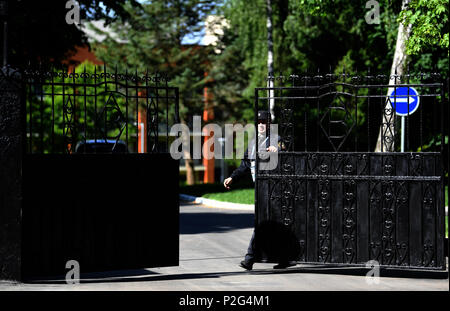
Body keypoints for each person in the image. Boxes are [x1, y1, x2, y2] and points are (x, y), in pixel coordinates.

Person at [223, 110, 296, 271]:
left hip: (275, 189)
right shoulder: (253, 143)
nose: (262, 124)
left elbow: (290, 157)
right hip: (260, 189)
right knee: (272, 225)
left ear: (270, 123)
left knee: (263, 224)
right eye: (259, 121)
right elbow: (245, 165)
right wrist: (233, 178)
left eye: (264, 121)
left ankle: (250, 259)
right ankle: (284, 259)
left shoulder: (277, 140)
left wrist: (279, 152)